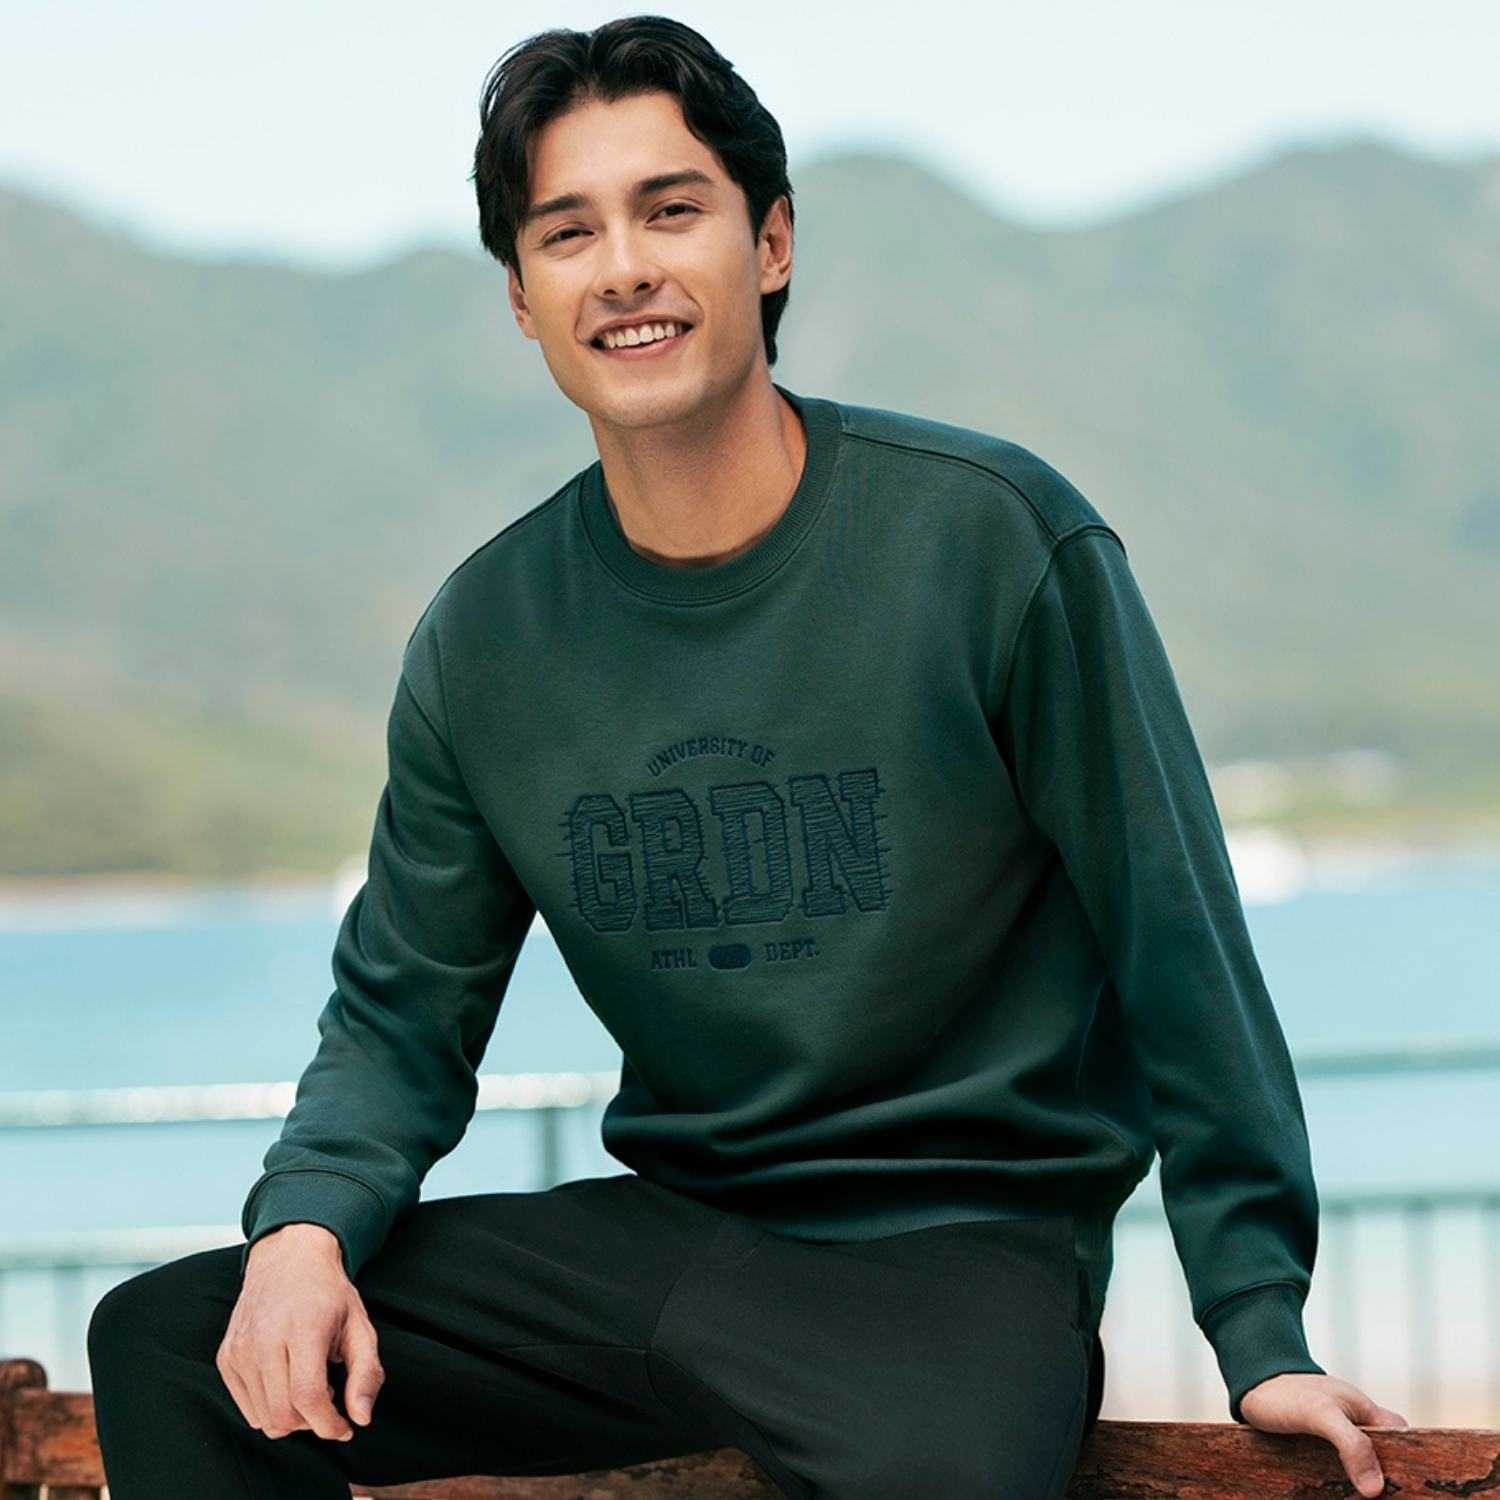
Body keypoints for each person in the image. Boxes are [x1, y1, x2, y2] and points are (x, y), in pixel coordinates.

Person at [87, 14, 1408, 1498]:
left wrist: (1257, 1326)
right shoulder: (486, 636)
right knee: (173, 1346)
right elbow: (402, 1015)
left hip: (954, 1256)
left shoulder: (991, 539)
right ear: (523, 300)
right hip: (667, 1240)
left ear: (770, 242)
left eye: (671, 210)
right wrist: (304, 1231)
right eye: (567, 232)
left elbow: (1178, 943)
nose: (623, 269)